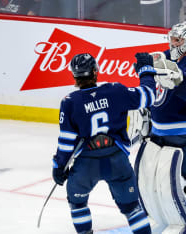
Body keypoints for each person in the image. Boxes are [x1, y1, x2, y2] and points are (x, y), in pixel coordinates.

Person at [52, 52, 156, 234]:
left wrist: (58, 167)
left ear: (74, 75)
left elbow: (66, 142)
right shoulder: (115, 91)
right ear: (95, 71)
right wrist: (146, 71)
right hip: (117, 161)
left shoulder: (69, 102)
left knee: (77, 203)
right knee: (132, 208)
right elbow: (148, 96)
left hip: (86, 165)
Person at [132, 21, 186, 234]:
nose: (173, 42)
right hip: (159, 134)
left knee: (184, 184)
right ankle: (165, 219)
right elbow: (151, 89)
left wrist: (180, 80)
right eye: (172, 38)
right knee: (154, 182)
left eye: (178, 39)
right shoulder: (161, 57)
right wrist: (144, 70)